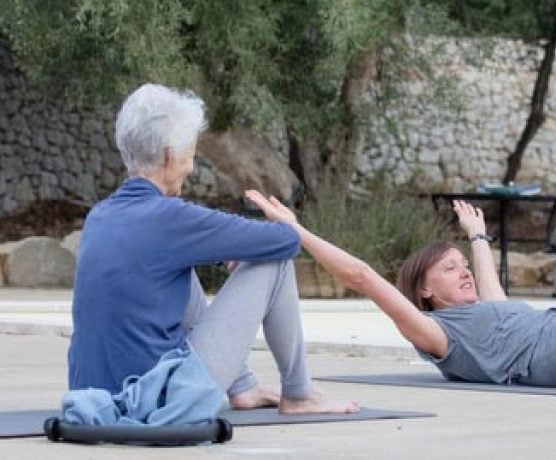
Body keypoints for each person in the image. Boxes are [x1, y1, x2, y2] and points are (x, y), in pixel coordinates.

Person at [68, 83, 357, 414]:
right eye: (190, 154)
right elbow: (284, 241)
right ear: (168, 155)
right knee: (275, 262)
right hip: (157, 399)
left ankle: (243, 387)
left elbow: (162, 248)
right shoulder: (170, 217)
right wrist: (287, 221)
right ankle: (299, 393)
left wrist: (223, 252)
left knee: (178, 268)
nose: (191, 166)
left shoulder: (99, 216)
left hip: (92, 395)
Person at [245, 177, 556, 387]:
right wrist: (295, 230)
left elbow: (491, 291)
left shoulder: (490, 319)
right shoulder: (440, 334)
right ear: (425, 291)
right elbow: (362, 276)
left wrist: (476, 235)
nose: (463, 272)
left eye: (463, 264)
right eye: (448, 268)